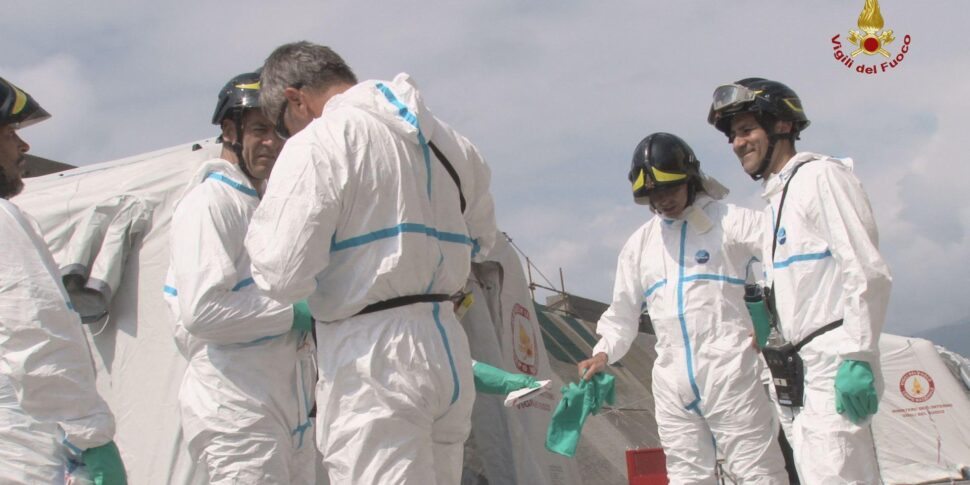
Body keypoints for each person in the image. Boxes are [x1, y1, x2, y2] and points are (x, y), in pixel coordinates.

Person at [246, 41, 498, 485]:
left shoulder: (320, 142)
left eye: (282, 127)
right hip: (446, 347)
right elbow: (483, 242)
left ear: (295, 99)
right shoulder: (453, 143)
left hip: (372, 358)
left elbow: (281, 274)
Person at [708, 78, 892, 483]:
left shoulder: (821, 178)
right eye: (733, 137)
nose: (737, 144)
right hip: (794, 377)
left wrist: (858, 355)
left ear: (783, 126)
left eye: (746, 131)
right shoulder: (777, 201)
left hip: (831, 368)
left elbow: (866, 271)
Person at [578, 132, 788, 484]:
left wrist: (770, 309)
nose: (663, 201)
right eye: (654, 195)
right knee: (686, 476)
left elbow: (786, 253)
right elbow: (622, 314)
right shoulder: (640, 246)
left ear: (690, 180)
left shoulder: (730, 221)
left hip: (731, 372)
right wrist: (602, 353)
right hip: (672, 382)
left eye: (670, 190)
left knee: (758, 473)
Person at [162, 71, 317, 484]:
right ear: (229, 131)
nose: (273, 143)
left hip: (281, 408)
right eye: (260, 130)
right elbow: (203, 311)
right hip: (236, 409)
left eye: (280, 132)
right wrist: (293, 312)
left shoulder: (258, 207)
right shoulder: (210, 202)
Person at [0, 76, 127, 484]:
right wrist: (91, 438)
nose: (23, 147)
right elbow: (37, 333)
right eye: (10, 132)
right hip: (23, 456)